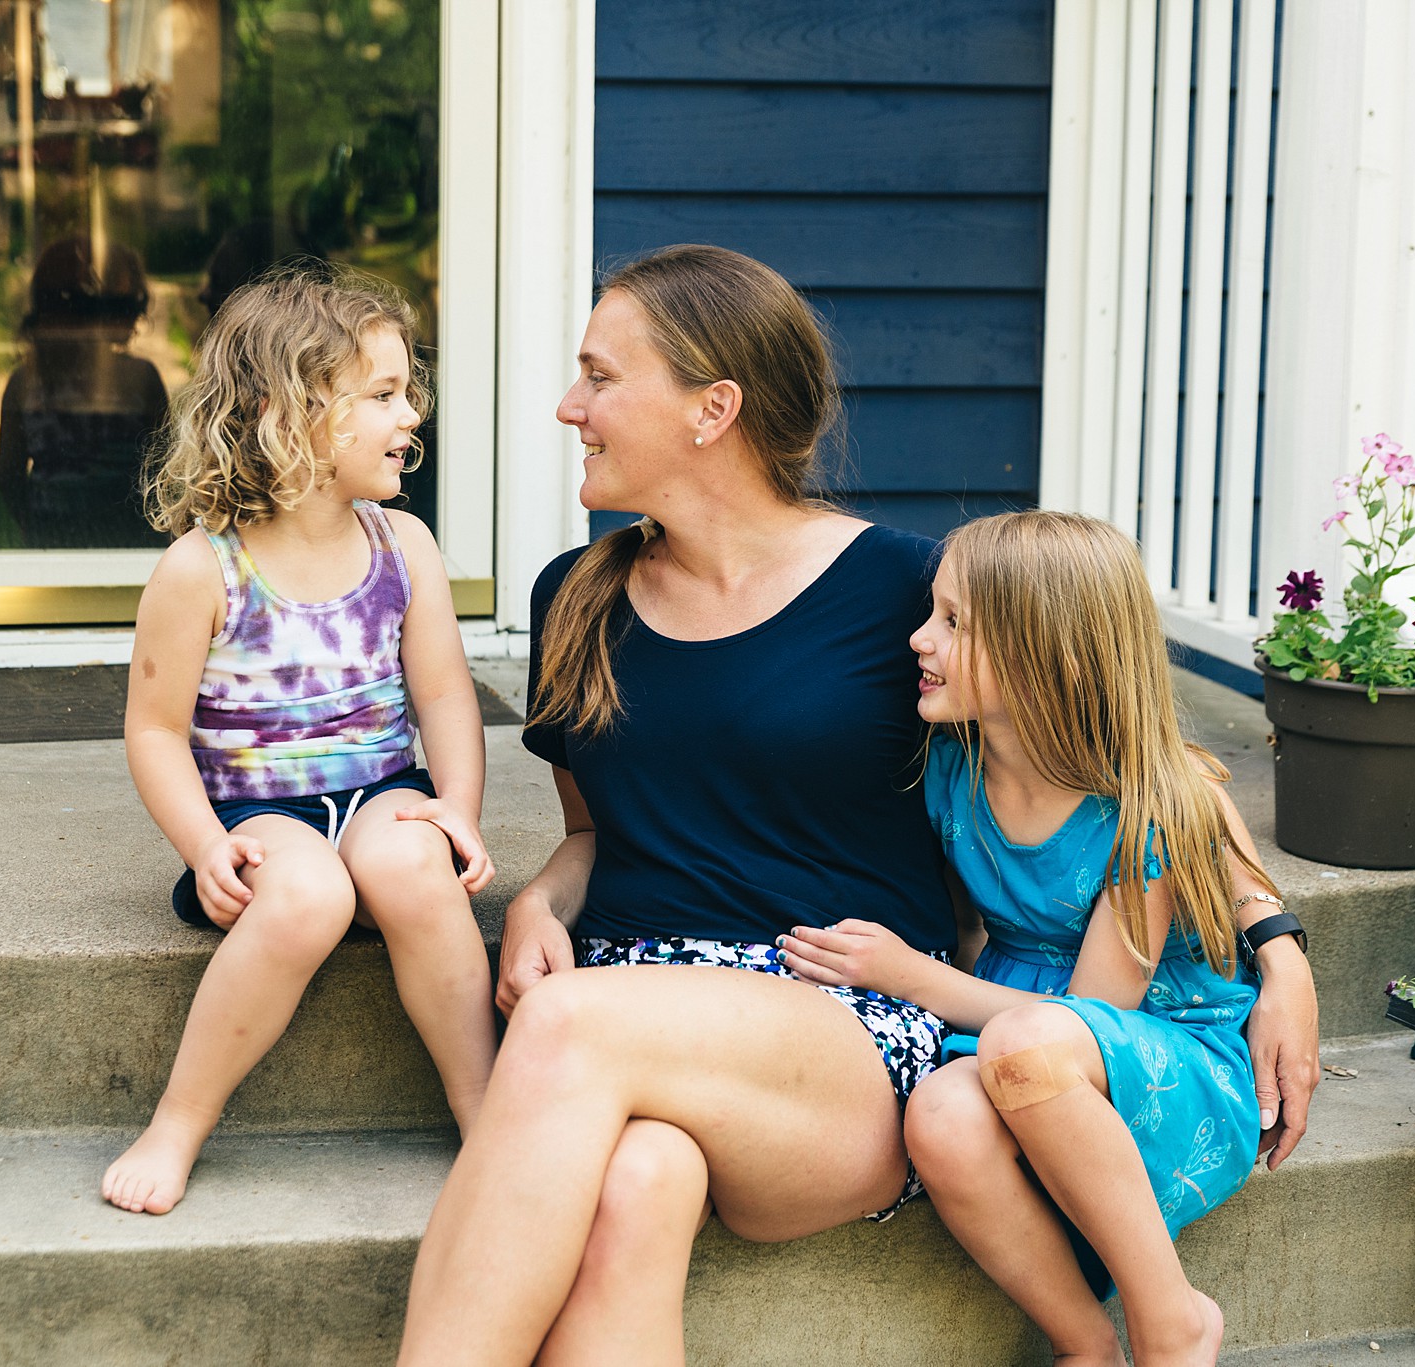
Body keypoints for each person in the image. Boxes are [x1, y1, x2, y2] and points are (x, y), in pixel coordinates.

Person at [395, 244, 1319, 1365]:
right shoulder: (573, 597)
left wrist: (1279, 947)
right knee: (636, 1182)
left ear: (711, 409)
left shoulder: (904, 591)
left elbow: (1144, 761)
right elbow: (594, 828)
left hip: (832, 1015)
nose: (566, 404)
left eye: (599, 375)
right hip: (640, 1015)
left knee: (564, 1023)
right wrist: (543, 899)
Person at [779, 510, 1296, 1365]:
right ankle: (1083, 1342)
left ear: (1045, 654)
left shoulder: (1145, 811)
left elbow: (1091, 1016)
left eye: (952, 623)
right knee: (941, 1116)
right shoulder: (951, 767)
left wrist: (910, 975)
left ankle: (1171, 1318)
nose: (918, 638)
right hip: (1018, 1034)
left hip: (1164, 1052)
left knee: (1025, 1043)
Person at [102, 265, 497, 1216]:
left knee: (410, 866)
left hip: (380, 788)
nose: (413, 416)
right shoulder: (203, 568)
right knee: (309, 891)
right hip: (256, 809)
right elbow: (154, 731)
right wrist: (205, 847)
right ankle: (181, 1118)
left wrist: (457, 811)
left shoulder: (405, 546)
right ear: (290, 412)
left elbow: (446, 696)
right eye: (385, 395)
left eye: (412, 392)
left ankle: (488, 1110)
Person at [0, 236, 170, 549]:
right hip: (121, 541)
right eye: (122, 304)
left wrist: (34, 528)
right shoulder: (140, 379)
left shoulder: (25, 383)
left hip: (68, 537)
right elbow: (164, 473)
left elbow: (8, 475)